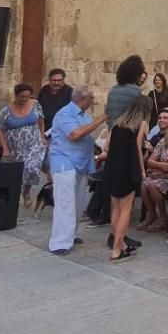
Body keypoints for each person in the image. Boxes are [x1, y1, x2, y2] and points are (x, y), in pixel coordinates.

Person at [47, 85, 104, 255]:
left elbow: (85, 135)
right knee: (65, 203)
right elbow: (74, 134)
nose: (93, 101)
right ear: (83, 99)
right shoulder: (66, 114)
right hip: (65, 163)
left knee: (78, 204)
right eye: (92, 98)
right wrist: (100, 119)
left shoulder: (84, 115)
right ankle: (59, 243)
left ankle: (70, 235)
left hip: (81, 164)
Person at [103, 96, 149, 262]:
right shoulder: (141, 124)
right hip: (127, 169)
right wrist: (142, 171)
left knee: (115, 208)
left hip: (112, 167)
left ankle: (120, 244)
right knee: (125, 210)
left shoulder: (117, 123)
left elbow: (107, 146)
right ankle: (117, 249)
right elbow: (137, 147)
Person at [0, 82, 45, 210]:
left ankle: (26, 191)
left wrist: (42, 136)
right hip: (15, 147)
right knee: (19, 173)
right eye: (22, 96)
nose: (25, 99)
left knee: (32, 167)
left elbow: (41, 120)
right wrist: (5, 148)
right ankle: (16, 195)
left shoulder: (35, 105)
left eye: (27, 96)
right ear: (16, 95)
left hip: (34, 143)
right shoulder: (6, 111)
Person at [106, 54, 148, 123]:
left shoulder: (113, 90)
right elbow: (137, 118)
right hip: (127, 131)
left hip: (112, 131)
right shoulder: (135, 91)